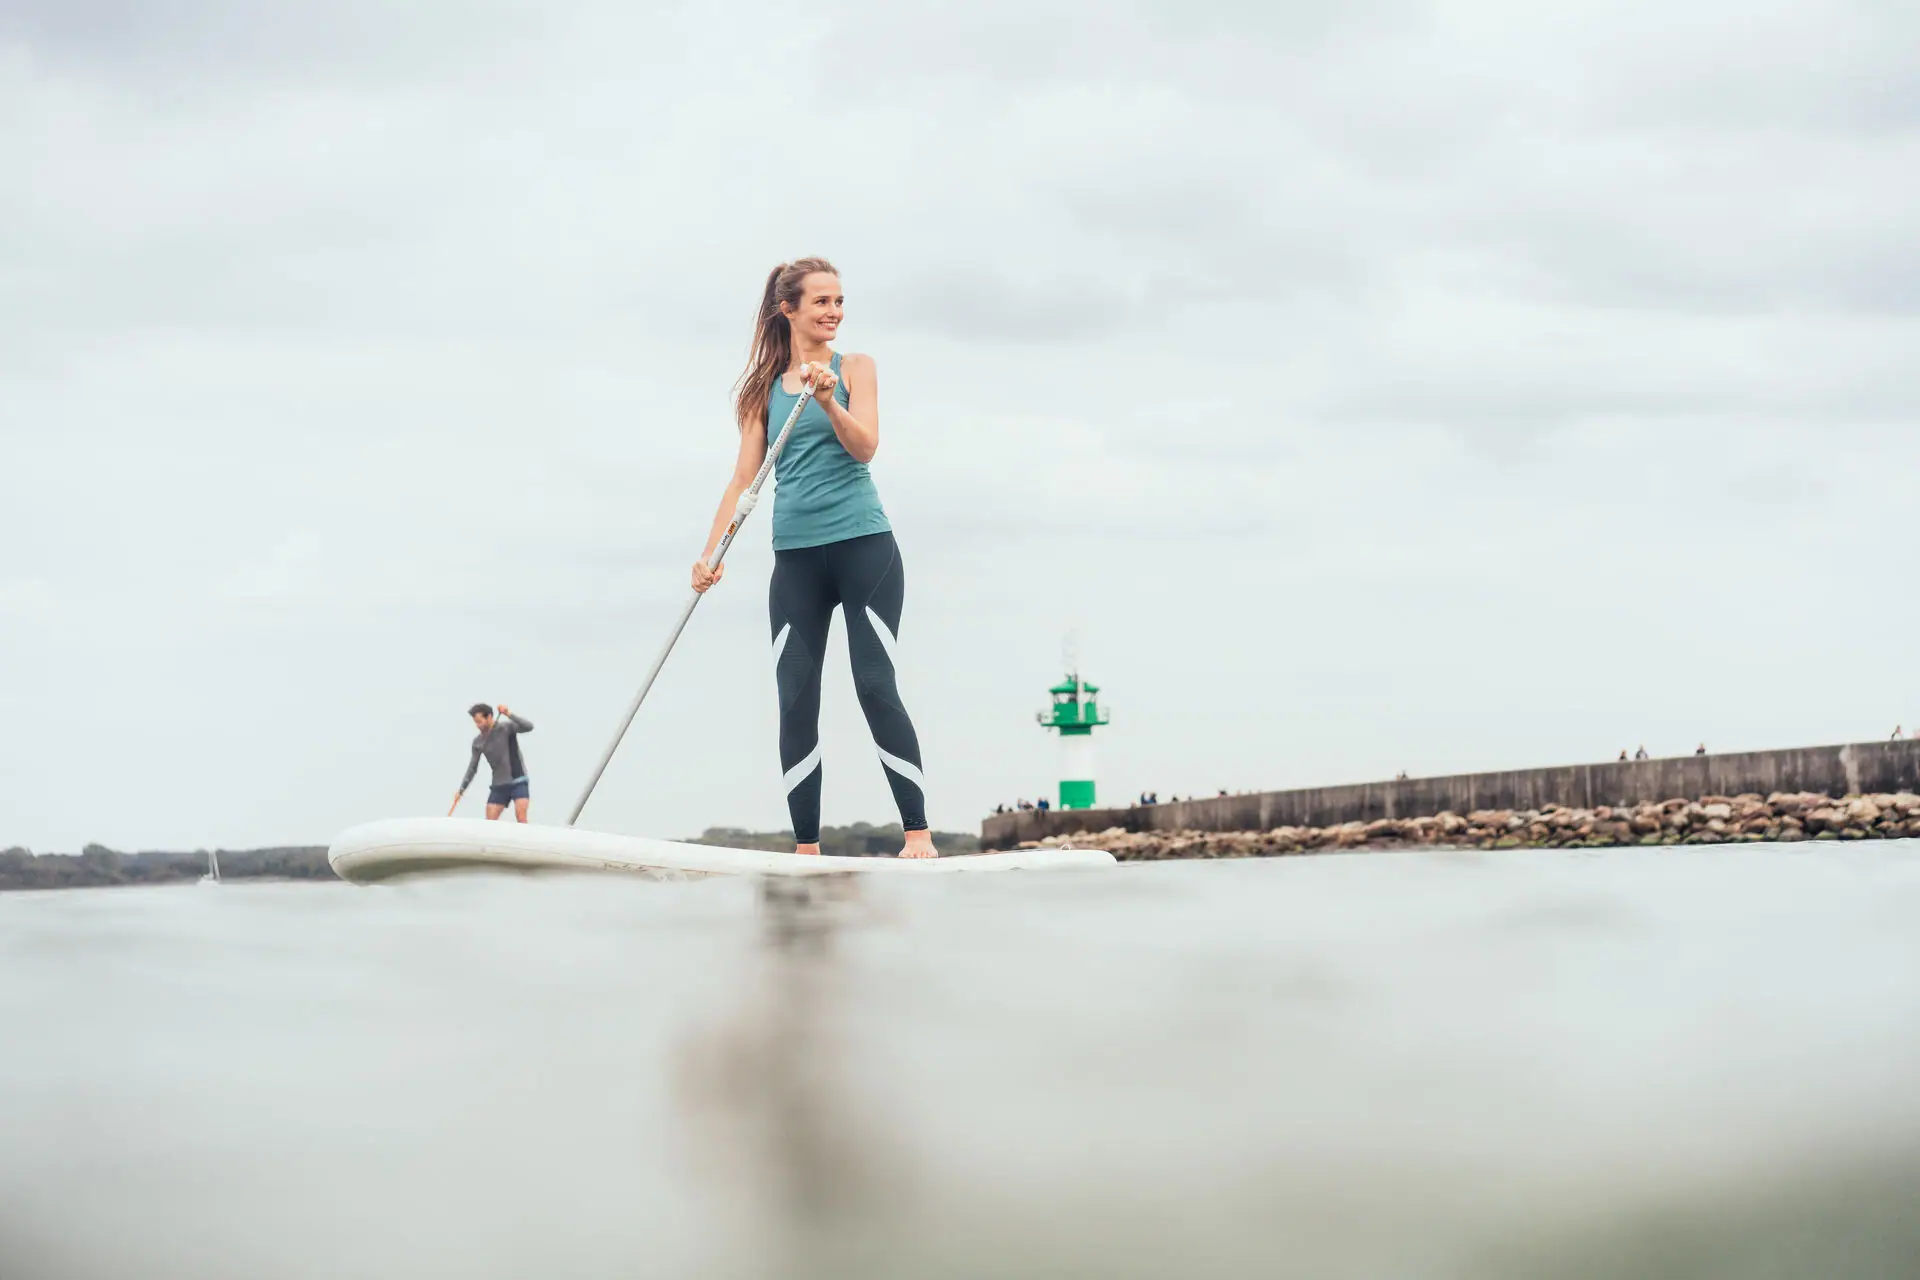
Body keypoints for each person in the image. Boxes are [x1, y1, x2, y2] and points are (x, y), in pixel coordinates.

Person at [692, 258, 934, 859]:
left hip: (864, 549)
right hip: (795, 560)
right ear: (789, 310)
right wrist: (709, 554)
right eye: (822, 302)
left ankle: (918, 834)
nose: (834, 312)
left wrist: (829, 401)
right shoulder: (761, 391)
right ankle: (806, 849)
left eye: (840, 301)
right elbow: (743, 479)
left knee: (874, 684)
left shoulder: (856, 369)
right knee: (796, 693)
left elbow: (866, 448)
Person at [450, 703, 533, 822]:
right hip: (499, 784)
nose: (478, 725)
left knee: (521, 817)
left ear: (489, 717)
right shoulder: (478, 742)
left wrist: (508, 713)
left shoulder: (506, 728)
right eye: (475, 722)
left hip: (518, 780)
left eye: (479, 721)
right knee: (490, 822)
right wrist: (461, 790)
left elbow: (528, 727)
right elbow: (472, 768)